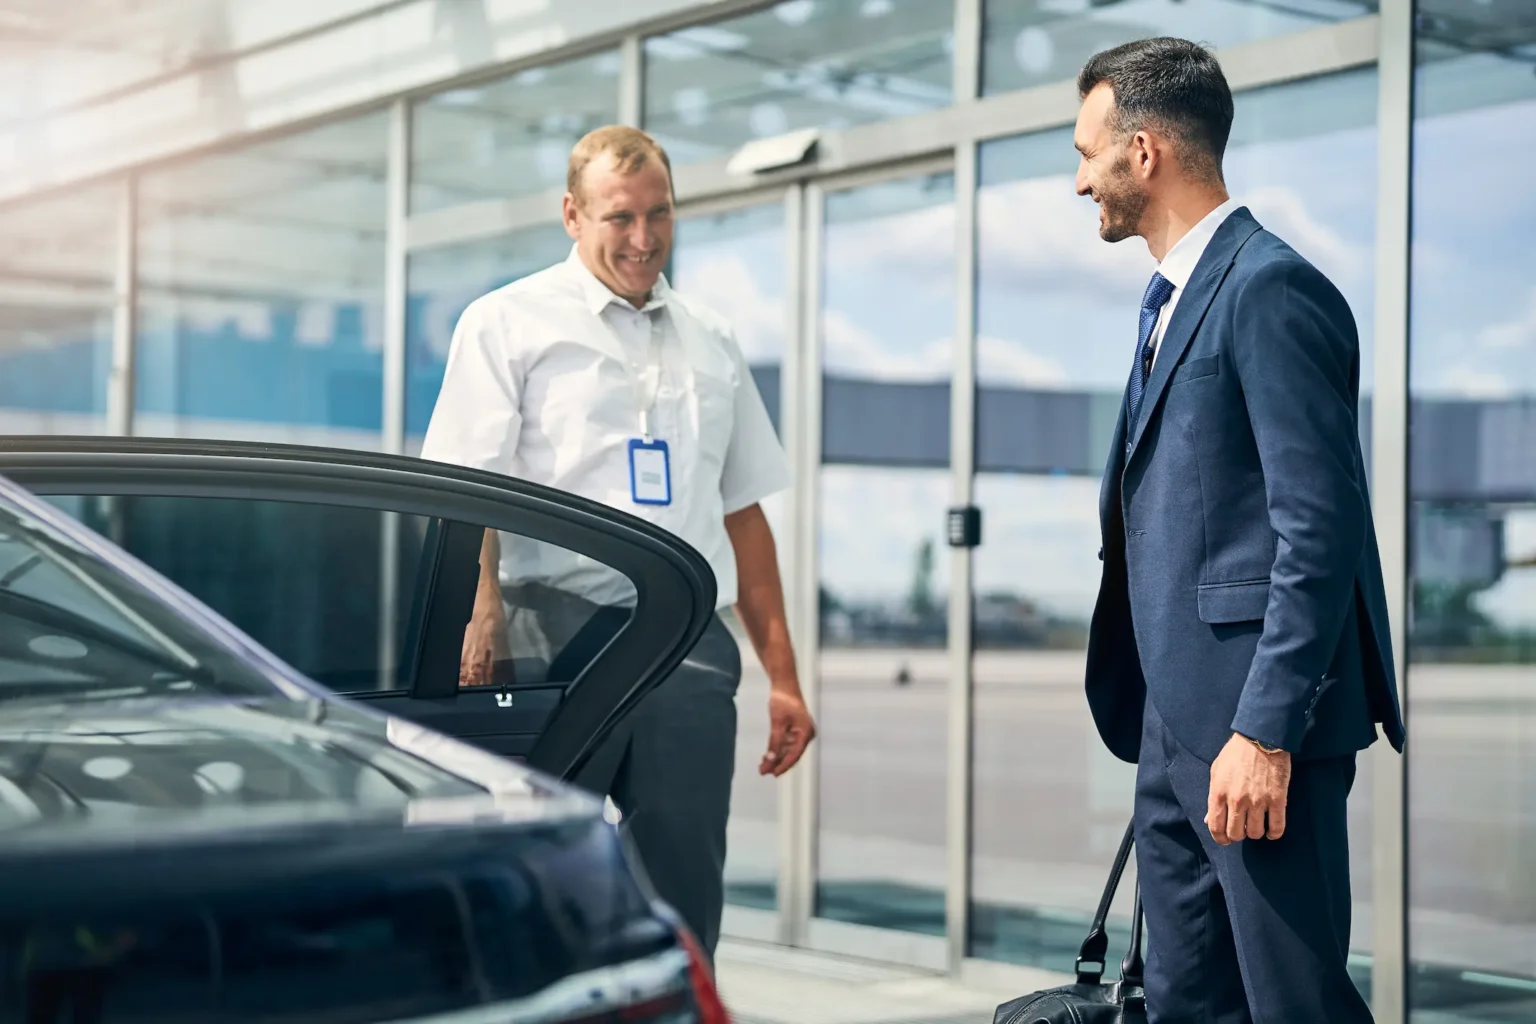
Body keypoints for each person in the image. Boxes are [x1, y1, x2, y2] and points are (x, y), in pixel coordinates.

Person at [417, 124, 816, 961]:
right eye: (619, 218)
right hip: (549, 631)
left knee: (685, 883)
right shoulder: (507, 322)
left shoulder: (713, 337)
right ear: (572, 214)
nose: (643, 239)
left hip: (688, 643)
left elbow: (743, 511)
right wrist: (478, 615)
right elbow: (465, 491)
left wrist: (784, 675)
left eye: (659, 215)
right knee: (533, 866)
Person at [1072, 38, 1405, 1023]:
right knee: (1185, 1002)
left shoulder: (1270, 289)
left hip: (1260, 730)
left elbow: (1320, 525)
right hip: (1173, 724)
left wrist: (1265, 727)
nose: (1078, 177)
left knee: (1292, 1001)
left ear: (1145, 153)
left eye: (1087, 150)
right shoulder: (1166, 302)